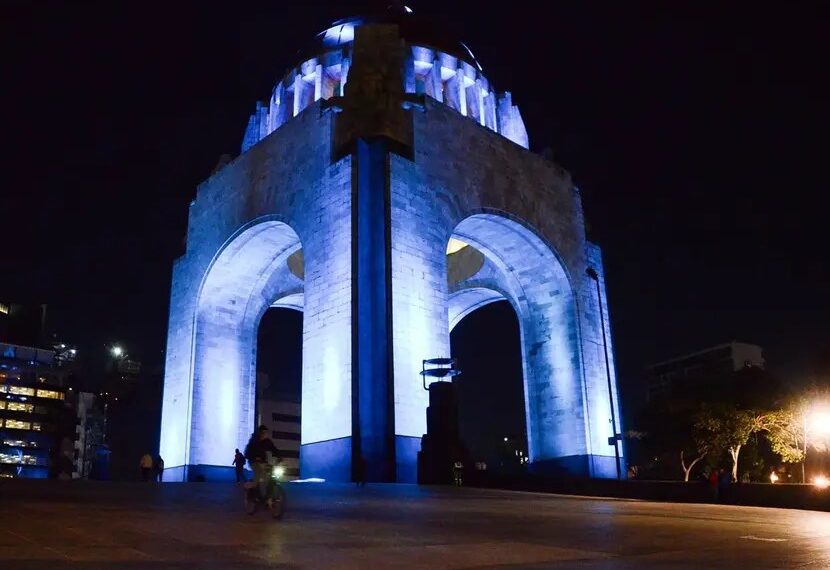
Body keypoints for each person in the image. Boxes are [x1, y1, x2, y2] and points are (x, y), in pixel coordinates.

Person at [244, 426, 282, 501]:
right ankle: (249, 487)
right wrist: (254, 457)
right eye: (263, 433)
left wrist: (279, 457)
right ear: (259, 433)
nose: (264, 434)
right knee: (258, 474)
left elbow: (274, 449)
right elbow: (247, 453)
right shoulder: (254, 441)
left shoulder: (267, 441)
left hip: (263, 462)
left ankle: (268, 497)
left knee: (272, 474)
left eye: (265, 433)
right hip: (253, 462)